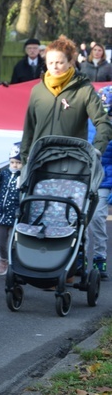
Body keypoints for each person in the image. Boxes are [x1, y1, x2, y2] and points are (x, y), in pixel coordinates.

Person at [20, 35, 112, 165]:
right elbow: (29, 129)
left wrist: (96, 150)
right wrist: (24, 163)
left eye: (60, 62)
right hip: (39, 164)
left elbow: (103, 123)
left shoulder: (84, 89)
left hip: (73, 165)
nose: (54, 67)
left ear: (70, 62)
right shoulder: (37, 90)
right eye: (50, 63)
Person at [87, 85, 112, 280]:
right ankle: (79, 255)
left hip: (105, 180)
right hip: (84, 178)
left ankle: (99, 256)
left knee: (96, 218)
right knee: (79, 218)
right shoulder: (86, 124)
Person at [0, 143, 22, 276]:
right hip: (2, 214)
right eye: (12, 162)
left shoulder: (24, 176)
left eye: (18, 162)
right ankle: (3, 260)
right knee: (0, 243)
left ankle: (15, 263)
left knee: (14, 244)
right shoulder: (5, 173)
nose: (15, 165)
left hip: (16, 215)